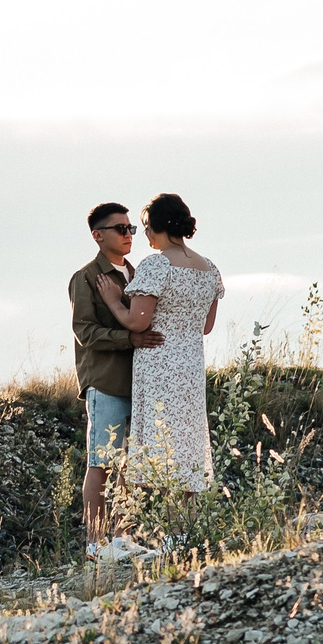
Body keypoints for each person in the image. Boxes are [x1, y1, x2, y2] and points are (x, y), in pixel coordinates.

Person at [94, 191, 224, 493]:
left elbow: (137, 322)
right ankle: (181, 530)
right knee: (185, 443)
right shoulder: (209, 268)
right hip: (191, 366)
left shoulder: (157, 265)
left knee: (159, 442)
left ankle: (158, 529)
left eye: (146, 226)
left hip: (159, 364)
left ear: (158, 225)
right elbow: (206, 326)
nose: (145, 234)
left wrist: (114, 301)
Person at [68, 202, 163, 550]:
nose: (128, 235)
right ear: (98, 235)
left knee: (134, 467)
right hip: (105, 383)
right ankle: (96, 543)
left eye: (130, 229)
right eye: (120, 229)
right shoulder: (85, 278)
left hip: (140, 383)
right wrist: (130, 338)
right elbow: (85, 332)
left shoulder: (139, 275)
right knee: (101, 463)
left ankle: (122, 539)